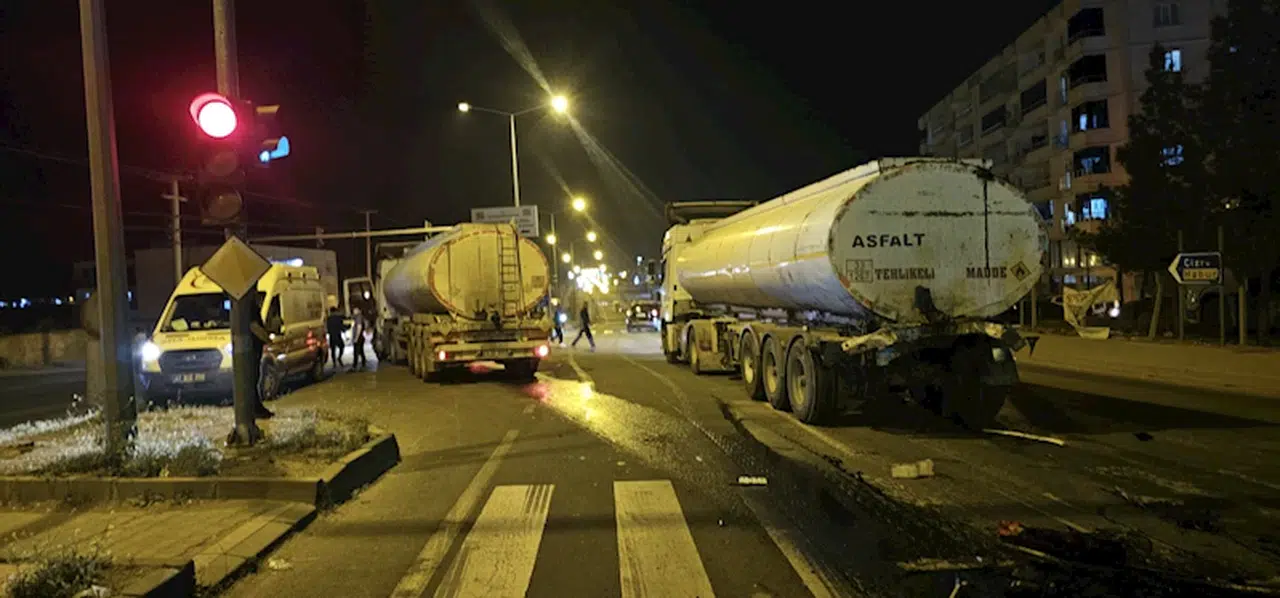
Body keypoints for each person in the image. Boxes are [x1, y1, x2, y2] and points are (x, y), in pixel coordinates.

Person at [248, 299, 275, 419]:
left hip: (254, 349)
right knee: (252, 379)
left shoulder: (250, 304)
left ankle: (256, 407)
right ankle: (255, 409)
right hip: (251, 350)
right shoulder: (248, 305)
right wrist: (267, 339)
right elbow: (254, 326)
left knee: (255, 378)